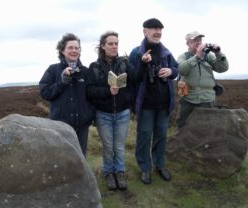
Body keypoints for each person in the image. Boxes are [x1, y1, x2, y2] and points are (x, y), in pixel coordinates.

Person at [86, 31, 140, 190]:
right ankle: (109, 173)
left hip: (122, 113)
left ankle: (120, 173)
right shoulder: (94, 67)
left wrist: (142, 63)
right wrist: (107, 91)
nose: (114, 46)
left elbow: (137, 77)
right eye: (110, 43)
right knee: (108, 147)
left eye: (116, 43)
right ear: (103, 46)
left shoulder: (124, 63)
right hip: (103, 114)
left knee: (119, 146)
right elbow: (89, 90)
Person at [129, 18, 178, 184]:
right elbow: (133, 77)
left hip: (163, 105)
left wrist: (170, 70)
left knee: (161, 136)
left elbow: (176, 70)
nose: (157, 32)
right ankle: (144, 168)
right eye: (153, 29)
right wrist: (143, 64)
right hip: (146, 105)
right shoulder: (136, 53)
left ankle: (160, 164)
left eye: (160, 29)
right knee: (144, 136)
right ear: (144, 31)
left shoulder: (166, 52)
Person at [39, 33, 94, 156]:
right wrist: (62, 81)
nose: (74, 50)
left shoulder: (85, 71)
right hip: (60, 126)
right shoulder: (53, 70)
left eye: (76, 48)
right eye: (70, 48)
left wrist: (89, 115)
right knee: (62, 159)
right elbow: (45, 93)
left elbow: (92, 96)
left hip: (82, 126)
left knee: (80, 158)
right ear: (62, 51)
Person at [176, 31, 229, 128]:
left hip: (207, 99)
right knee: (184, 127)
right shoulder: (183, 57)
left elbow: (223, 68)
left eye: (200, 40)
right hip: (188, 99)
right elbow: (181, 70)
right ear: (188, 43)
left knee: (207, 128)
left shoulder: (208, 56)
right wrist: (197, 56)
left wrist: (218, 53)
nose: (199, 42)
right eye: (195, 40)